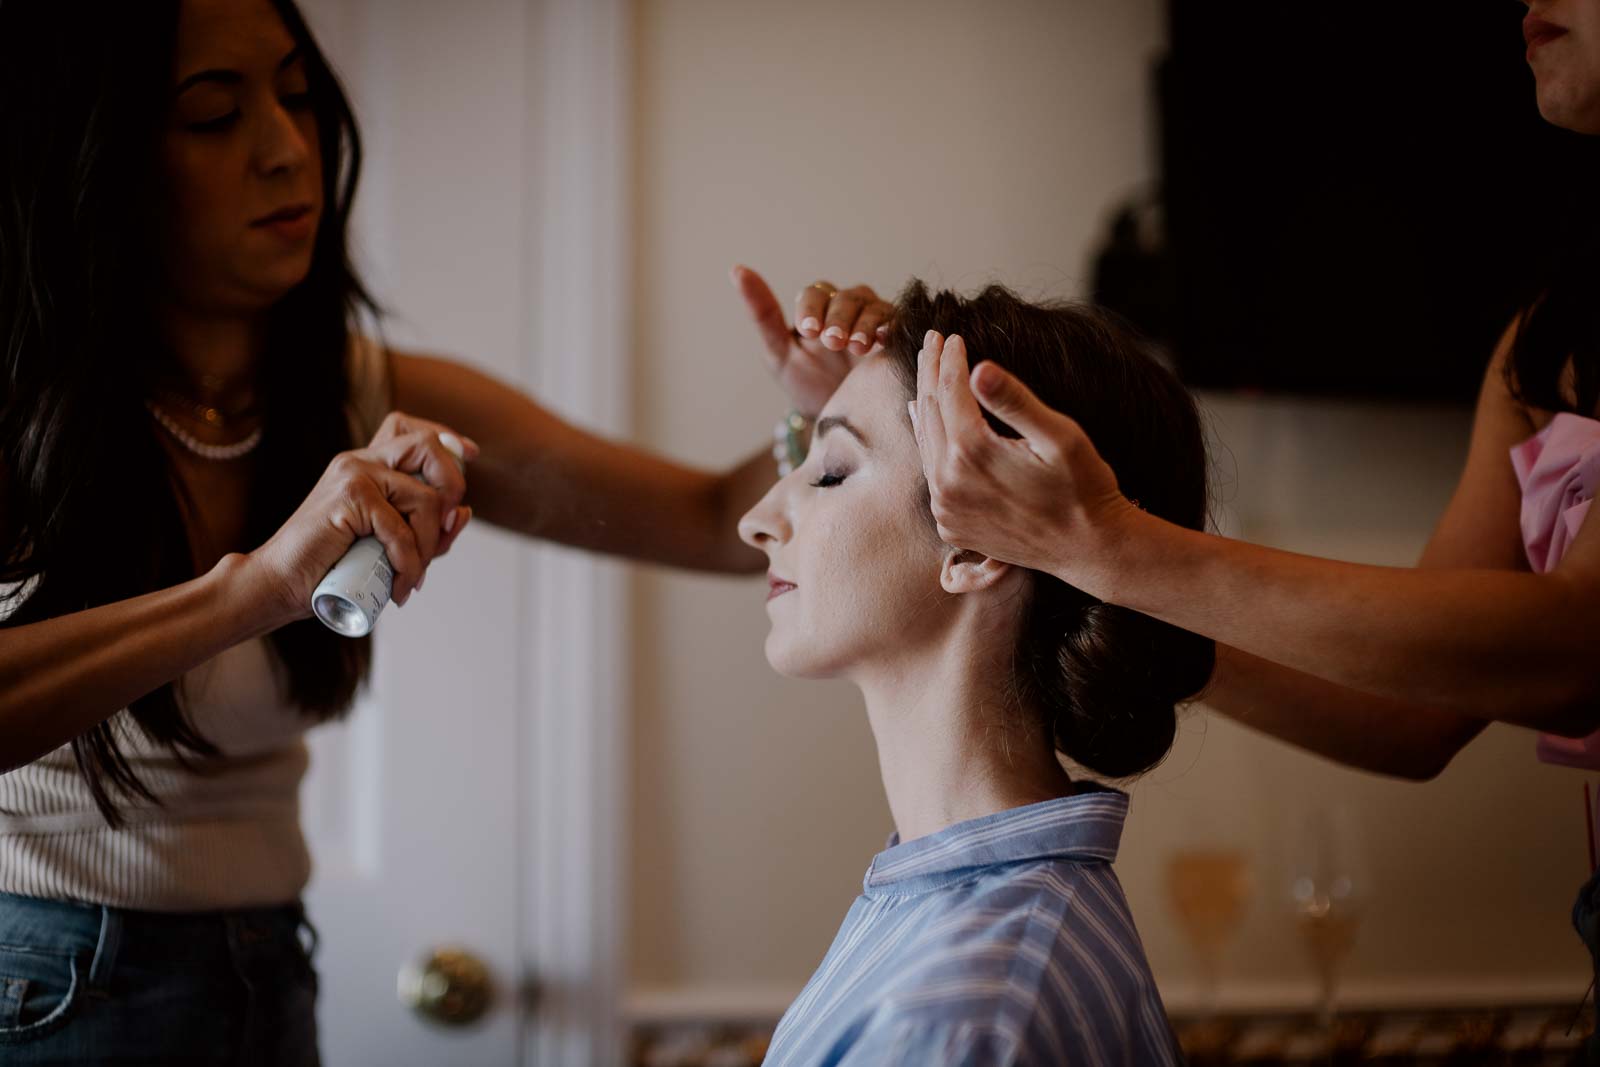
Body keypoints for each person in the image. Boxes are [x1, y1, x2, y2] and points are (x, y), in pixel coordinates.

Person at [0, 0, 883, 1060]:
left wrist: (826, 411)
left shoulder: (370, 395)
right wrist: (256, 590)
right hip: (42, 977)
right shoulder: (19, 406)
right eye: (212, 115)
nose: (288, 151)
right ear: (97, 160)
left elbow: (705, 523)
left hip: (265, 969)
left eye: (295, 96)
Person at [908, 0, 1600, 1049]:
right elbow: (1416, 715)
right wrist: (1116, 597)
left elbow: (1575, 643)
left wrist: (1112, 545)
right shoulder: (1545, 340)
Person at [738, 281, 1214, 1066]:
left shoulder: (958, 1021)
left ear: (975, 546)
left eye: (827, 471)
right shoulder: (974, 929)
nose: (755, 520)